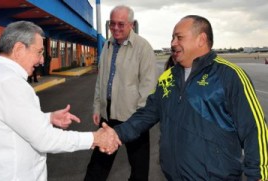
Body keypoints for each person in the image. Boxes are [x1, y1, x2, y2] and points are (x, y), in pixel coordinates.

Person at [112, 15, 268, 180]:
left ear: (201, 39)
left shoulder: (229, 75)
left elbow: (254, 130)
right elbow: (147, 114)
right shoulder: (167, 78)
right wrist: (116, 134)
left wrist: (259, 176)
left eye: (179, 37)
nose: (173, 43)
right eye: (172, 38)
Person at [0, 21, 121, 181]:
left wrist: (48, 118)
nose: (42, 60)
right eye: (39, 52)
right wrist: (94, 138)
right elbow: (44, 138)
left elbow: (14, 121)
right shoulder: (7, 82)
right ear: (19, 49)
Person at [84, 5, 158, 181]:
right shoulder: (107, 46)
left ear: (131, 24)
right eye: (112, 24)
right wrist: (97, 107)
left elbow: (148, 88)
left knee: (139, 170)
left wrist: (138, 121)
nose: (115, 28)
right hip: (107, 119)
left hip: (133, 119)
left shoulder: (143, 47)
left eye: (121, 24)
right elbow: (101, 81)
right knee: (97, 167)